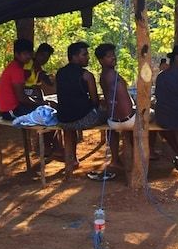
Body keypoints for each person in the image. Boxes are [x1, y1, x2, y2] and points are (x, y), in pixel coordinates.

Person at [55, 41, 105, 174]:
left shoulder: (60, 73)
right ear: (74, 56)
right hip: (82, 120)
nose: (88, 57)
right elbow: (95, 101)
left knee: (70, 125)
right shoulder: (87, 75)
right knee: (111, 115)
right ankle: (116, 159)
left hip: (63, 120)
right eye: (85, 54)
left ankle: (71, 161)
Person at [96, 43, 133, 174]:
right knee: (152, 116)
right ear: (101, 60)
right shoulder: (113, 76)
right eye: (109, 56)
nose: (113, 58)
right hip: (128, 120)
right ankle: (149, 152)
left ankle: (115, 159)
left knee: (111, 129)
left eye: (114, 55)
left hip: (113, 122)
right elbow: (125, 104)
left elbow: (111, 100)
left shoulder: (103, 76)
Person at [0, 38, 39, 120]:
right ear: (17, 54)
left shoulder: (15, 66)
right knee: (46, 111)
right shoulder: (16, 70)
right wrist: (40, 103)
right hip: (11, 111)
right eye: (25, 54)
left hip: (11, 109)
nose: (29, 56)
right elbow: (22, 98)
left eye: (30, 53)